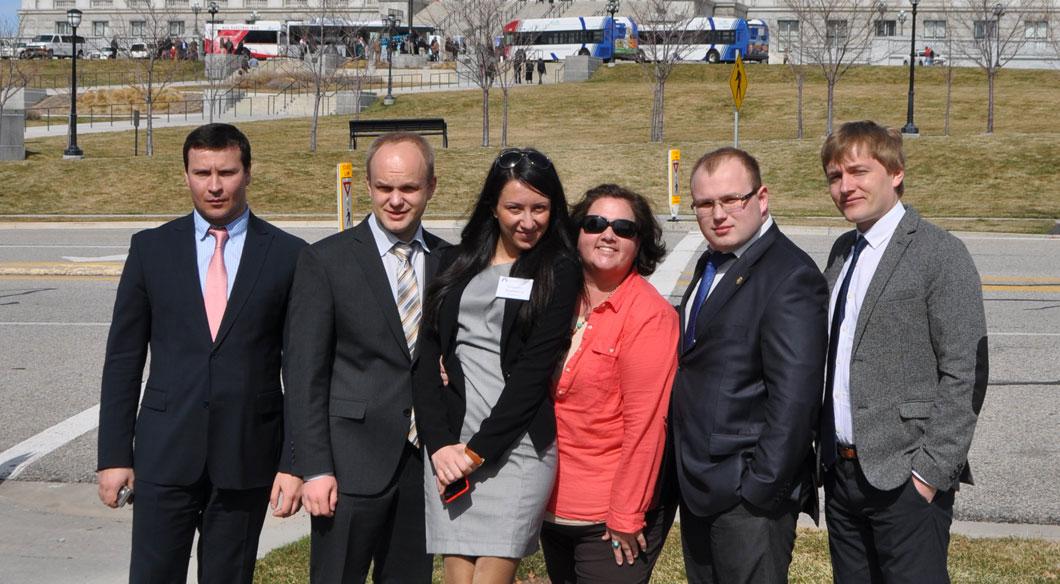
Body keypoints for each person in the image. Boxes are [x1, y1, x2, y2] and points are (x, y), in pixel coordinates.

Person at [96, 123, 306, 584]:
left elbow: (302, 371)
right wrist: (113, 455)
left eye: (227, 172)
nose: (214, 185)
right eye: (202, 172)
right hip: (164, 456)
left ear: (248, 173)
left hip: (246, 458)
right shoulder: (151, 249)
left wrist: (293, 463)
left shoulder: (289, 255)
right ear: (186, 174)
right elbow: (123, 361)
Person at [819, 120, 988, 584]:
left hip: (906, 479)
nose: (845, 186)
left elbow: (966, 372)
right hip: (843, 476)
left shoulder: (939, 253)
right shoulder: (841, 252)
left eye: (858, 171)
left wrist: (929, 475)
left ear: (894, 172)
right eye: (835, 177)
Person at [283, 133, 449, 584]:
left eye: (409, 189)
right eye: (383, 188)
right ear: (368, 187)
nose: (395, 200)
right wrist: (312, 467)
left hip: (423, 467)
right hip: (348, 466)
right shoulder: (326, 261)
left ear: (431, 187)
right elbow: (304, 375)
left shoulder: (451, 263)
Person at [413, 148, 581, 584]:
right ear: (493, 206)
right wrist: (441, 446)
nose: (528, 221)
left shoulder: (557, 270)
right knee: (456, 578)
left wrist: (476, 452)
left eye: (540, 208)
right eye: (515, 208)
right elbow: (427, 358)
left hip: (515, 449)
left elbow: (531, 373)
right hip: (452, 447)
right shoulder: (455, 262)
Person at [671, 147, 828, 584]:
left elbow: (794, 402)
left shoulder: (790, 275)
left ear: (761, 199)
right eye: (705, 203)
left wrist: (759, 487)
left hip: (748, 499)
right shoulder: (712, 262)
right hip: (701, 485)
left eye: (731, 200)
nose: (718, 214)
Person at [541, 184, 679, 584]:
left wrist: (625, 513)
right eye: (595, 223)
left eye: (624, 228)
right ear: (576, 232)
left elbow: (647, 427)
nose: (608, 234)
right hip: (550, 502)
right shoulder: (555, 298)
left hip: (609, 515)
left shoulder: (649, 316)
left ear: (640, 243)